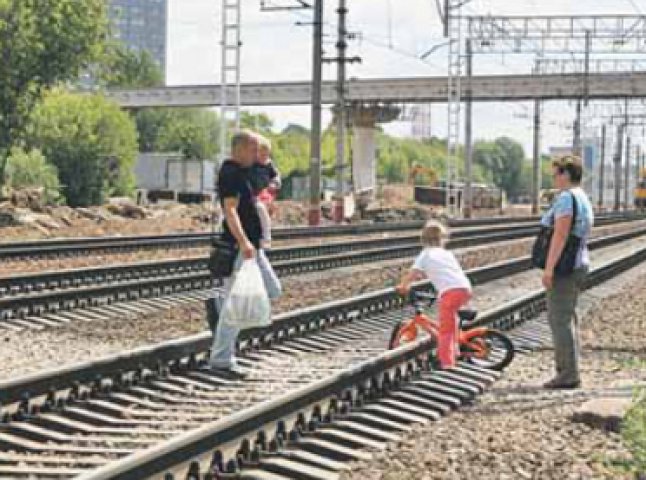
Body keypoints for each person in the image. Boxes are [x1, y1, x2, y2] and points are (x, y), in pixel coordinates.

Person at [207, 131, 282, 378]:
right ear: (238, 149)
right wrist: (244, 242)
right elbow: (230, 211)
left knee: (272, 290)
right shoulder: (230, 173)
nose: (256, 154)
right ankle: (221, 360)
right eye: (252, 150)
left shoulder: (246, 172)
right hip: (242, 249)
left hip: (253, 249)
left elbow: (265, 186)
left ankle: (219, 304)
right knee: (237, 307)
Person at [540, 155, 593, 390]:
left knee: (558, 319)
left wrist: (549, 269)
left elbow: (559, 235)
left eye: (556, 174)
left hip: (565, 267)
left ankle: (567, 374)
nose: (555, 178)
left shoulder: (566, 199)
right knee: (567, 317)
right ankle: (571, 369)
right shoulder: (582, 197)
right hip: (580, 262)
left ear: (566, 174)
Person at [396, 220, 472, 369]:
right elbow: (445, 271)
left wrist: (403, 285)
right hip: (465, 288)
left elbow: (413, 273)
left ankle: (447, 362)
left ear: (423, 239)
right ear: (442, 239)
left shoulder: (425, 254)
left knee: (445, 330)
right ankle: (456, 348)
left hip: (450, 292)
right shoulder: (446, 253)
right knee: (452, 322)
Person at [249, 136, 281, 249]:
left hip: (264, 194)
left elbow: (277, 177)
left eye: (266, 155)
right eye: (262, 155)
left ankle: (266, 238)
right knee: (259, 210)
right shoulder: (251, 164)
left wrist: (274, 183)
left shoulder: (269, 165)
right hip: (252, 195)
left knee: (263, 211)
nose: (264, 158)